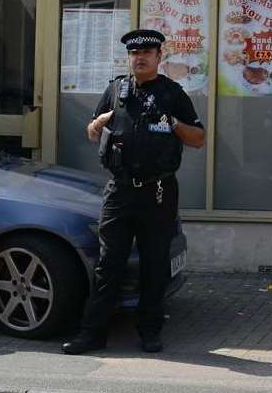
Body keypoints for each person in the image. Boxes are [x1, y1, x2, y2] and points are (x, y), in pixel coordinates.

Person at [62, 29, 205, 355]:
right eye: (134, 54)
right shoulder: (115, 89)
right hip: (120, 190)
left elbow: (198, 138)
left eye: (147, 53)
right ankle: (92, 333)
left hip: (158, 191)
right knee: (108, 263)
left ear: (159, 57)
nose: (139, 58)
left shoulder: (172, 94)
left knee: (154, 264)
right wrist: (98, 122)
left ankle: (150, 332)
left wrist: (173, 123)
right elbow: (91, 130)